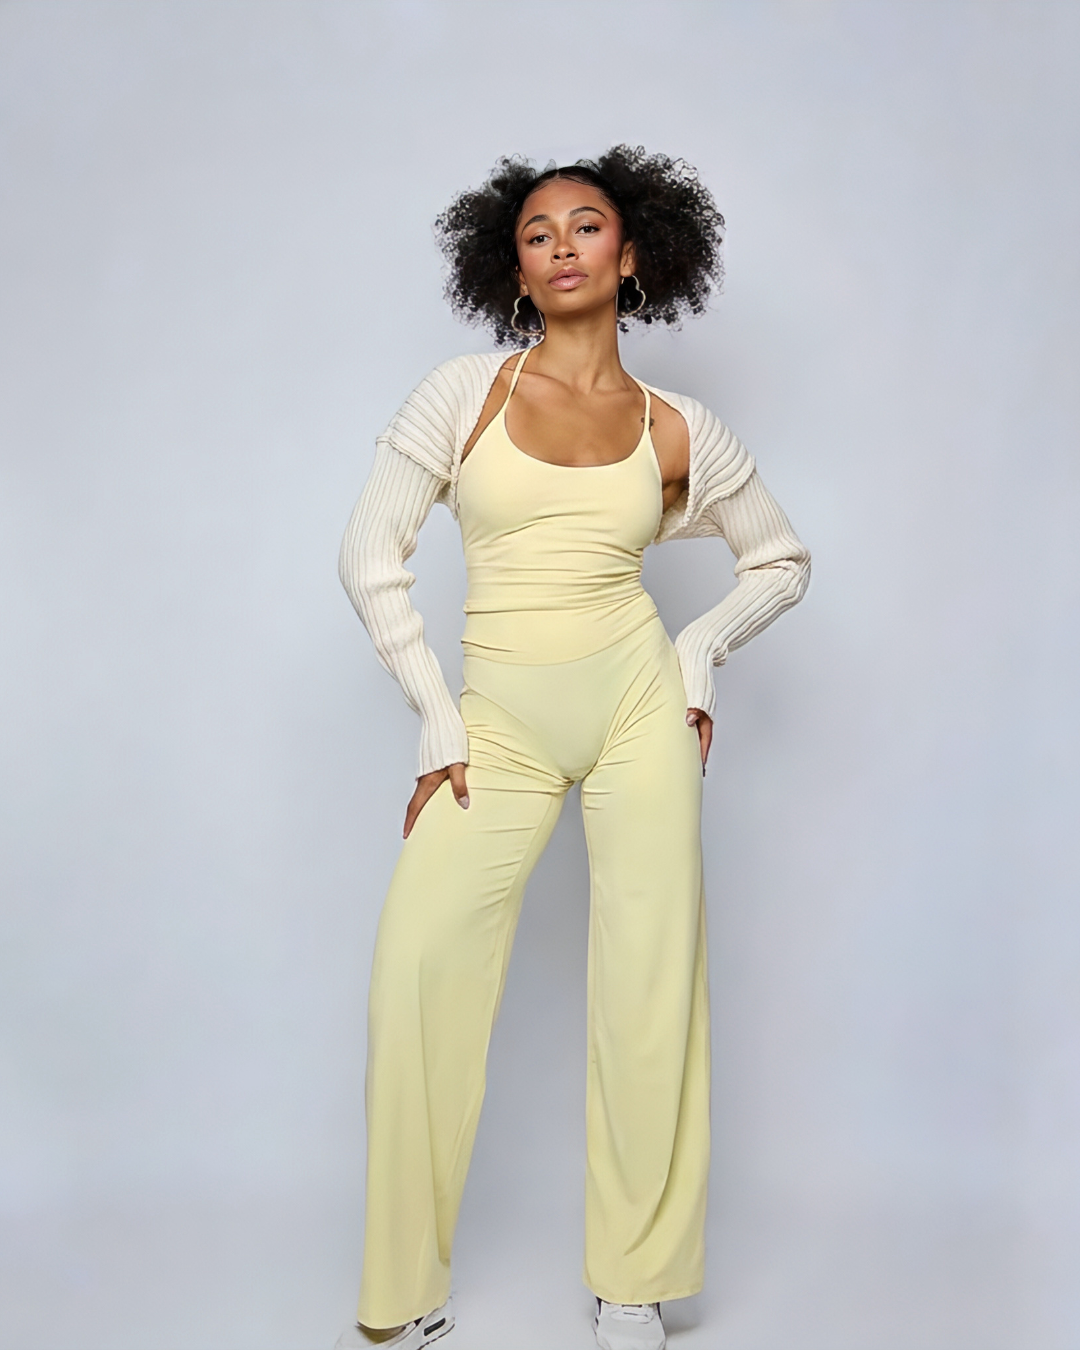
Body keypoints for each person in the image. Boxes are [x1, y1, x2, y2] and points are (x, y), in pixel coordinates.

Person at [334, 146, 810, 1350]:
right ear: (514, 270)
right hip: (495, 719)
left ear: (632, 253)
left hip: (639, 706)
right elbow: (368, 554)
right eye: (537, 234)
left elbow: (779, 558)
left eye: (585, 226)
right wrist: (436, 716)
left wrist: (697, 652)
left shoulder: (675, 425)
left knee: (650, 980)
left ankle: (634, 1279)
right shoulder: (464, 395)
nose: (560, 247)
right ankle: (403, 1294)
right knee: (420, 968)